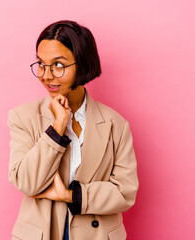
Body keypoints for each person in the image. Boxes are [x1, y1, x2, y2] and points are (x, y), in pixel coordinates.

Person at [7, 20, 139, 240]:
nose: (46, 75)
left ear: (83, 64)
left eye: (58, 65)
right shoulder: (23, 117)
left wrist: (71, 196)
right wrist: (57, 128)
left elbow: (125, 192)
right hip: (42, 233)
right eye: (41, 63)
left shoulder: (116, 124)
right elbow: (26, 182)